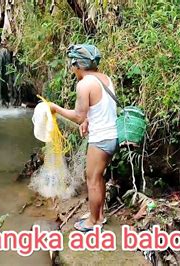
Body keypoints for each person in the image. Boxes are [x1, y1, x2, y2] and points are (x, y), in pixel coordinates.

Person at [49, 44, 118, 232]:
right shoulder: (105, 79)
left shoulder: (84, 84)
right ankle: (99, 216)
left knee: (92, 180)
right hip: (112, 135)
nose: (73, 70)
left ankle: (93, 223)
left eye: (73, 66)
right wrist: (87, 120)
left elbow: (78, 116)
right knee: (98, 177)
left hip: (101, 139)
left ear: (78, 65)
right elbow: (100, 107)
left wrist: (56, 109)